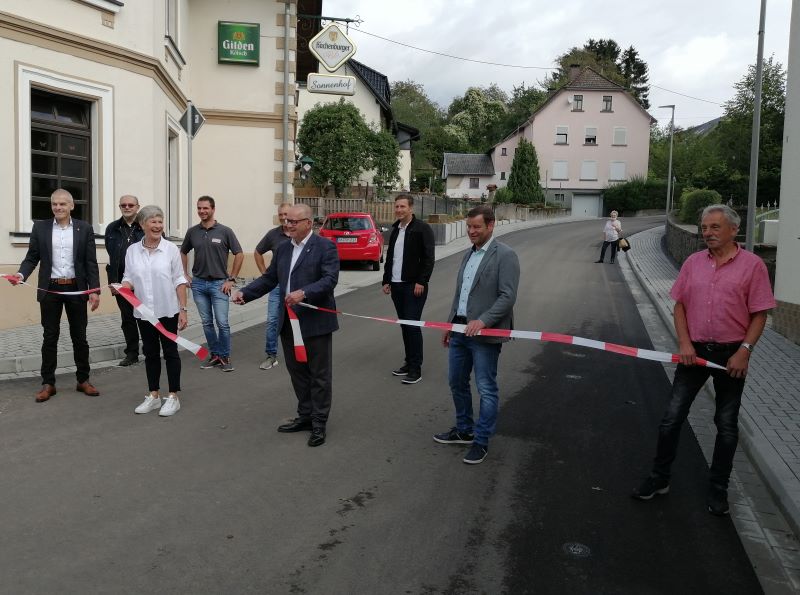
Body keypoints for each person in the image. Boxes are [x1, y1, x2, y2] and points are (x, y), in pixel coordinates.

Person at [632, 204, 776, 515]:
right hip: (693, 353)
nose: (707, 232)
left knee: (725, 425)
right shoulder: (694, 262)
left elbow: (760, 313)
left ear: (733, 230)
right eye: (704, 227)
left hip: (731, 356)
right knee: (671, 419)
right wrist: (684, 342)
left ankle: (718, 489)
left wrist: (744, 352)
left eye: (714, 227)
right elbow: (680, 306)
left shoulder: (752, 266)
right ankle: (660, 479)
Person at [233, 204, 339, 447]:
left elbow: (330, 279)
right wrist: (245, 294)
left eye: (293, 221)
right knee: (298, 374)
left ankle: (319, 423)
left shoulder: (325, 247)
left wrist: (305, 293)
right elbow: (271, 279)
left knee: (319, 376)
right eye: (286, 221)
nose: (288, 225)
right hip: (288, 323)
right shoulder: (282, 249)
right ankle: (305, 416)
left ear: (308, 223)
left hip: (315, 323)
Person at [434, 205, 520, 465]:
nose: (471, 231)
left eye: (476, 227)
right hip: (460, 331)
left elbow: (508, 296)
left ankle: (481, 441)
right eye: (469, 227)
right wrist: (451, 324)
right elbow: (461, 293)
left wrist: (483, 321)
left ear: (491, 225)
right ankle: (464, 430)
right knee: (456, 382)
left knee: (486, 388)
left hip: (485, 335)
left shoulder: (506, 255)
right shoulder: (468, 254)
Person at [7, 189, 101, 402]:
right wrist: (21, 274)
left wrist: (94, 290)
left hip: (76, 289)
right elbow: (32, 257)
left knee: (80, 337)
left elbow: (90, 262)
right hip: (50, 290)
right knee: (50, 337)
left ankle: (83, 380)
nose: (58, 208)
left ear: (71, 206)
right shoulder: (40, 227)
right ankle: (48, 383)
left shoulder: (84, 228)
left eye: (62, 204)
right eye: (54, 204)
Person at [120, 205, 189, 417]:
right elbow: (129, 277)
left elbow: (179, 279)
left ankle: (173, 397)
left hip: (167, 310)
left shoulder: (170, 249)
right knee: (150, 353)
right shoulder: (132, 251)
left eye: (160, 221)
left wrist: (183, 309)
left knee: (170, 353)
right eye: (153, 221)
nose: (158, 226)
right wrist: (123, 286)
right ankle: (154, 395)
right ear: (142, 224)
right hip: (144, 312)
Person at [180, 196, 243, 372]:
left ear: (213, 209)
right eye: (199, 208)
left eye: (205, 208)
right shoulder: (192, 232)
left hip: (219, 284)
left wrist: (231, 279)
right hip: (198, 285)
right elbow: (183, 252)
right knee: (207, 323)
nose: (201, 211)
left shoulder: (225, 231)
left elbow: (239, 254)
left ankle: (225, 355)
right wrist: (184, 274)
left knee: (222, 323)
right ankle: (215, 355)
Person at [382, 194, 435, 385]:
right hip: (396, 285)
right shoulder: (396, 229)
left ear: (411, 208)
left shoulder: (422, 229)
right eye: (396, 206)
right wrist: (386, 280)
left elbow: (429, 258)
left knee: (412, 326)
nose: (398, 210)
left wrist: (422, 281)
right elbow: (391, 258)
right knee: (404, 325)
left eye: (402, 206)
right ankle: (408, 361)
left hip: (414, 286)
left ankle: (416, 369)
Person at [105, 195, 144, 366]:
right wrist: (113, 281)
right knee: (127, 319)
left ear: (137, 207)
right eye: (123, 205)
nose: (127, 207)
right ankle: (132, 353)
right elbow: (112, 258)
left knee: (146, 317)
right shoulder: (112, 228)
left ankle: (151, 350)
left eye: (130, 205)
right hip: (121, 283)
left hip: (144, 283)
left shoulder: (146, 226)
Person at [253, 202, 292, 370]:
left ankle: (302, 353)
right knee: (272, 321)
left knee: (302, 320)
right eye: (280, 214)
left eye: (286, 214)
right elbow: (257, 252)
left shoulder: (299, 233)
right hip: (277, 285)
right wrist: (265, 274)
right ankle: (271, 355)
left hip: (297, 286)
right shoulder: (273, 235)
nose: (283, 217)